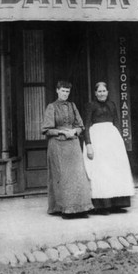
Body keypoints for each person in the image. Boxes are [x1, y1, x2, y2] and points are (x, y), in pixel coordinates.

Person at [42, 80, 93, 219]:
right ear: (57, 91)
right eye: (63, 91)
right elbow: (46, 130)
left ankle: (81, 208)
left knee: (78, 175)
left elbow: (81, 126)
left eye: (67, 91)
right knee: (62, 177)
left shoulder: (72, 106)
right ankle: (64, 209)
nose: (65, 94)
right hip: (58, 145)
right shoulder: (51, 107)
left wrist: (74, 131)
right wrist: (62, 132)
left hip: (73, 144)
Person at [83, 82, 135, 214]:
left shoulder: (112, 104)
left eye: (104, 91)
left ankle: (117, 204)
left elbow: (117, 122)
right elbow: (87, 125)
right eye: (99, 91)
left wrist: (120, 141)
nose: (102, 94)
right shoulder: (91, 105)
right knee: (101, 171)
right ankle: (101, 206)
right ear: (95, 93)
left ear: (107, 92)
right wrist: (88, 144)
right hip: (97, 139)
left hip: (112, 140)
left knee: (115, 170)